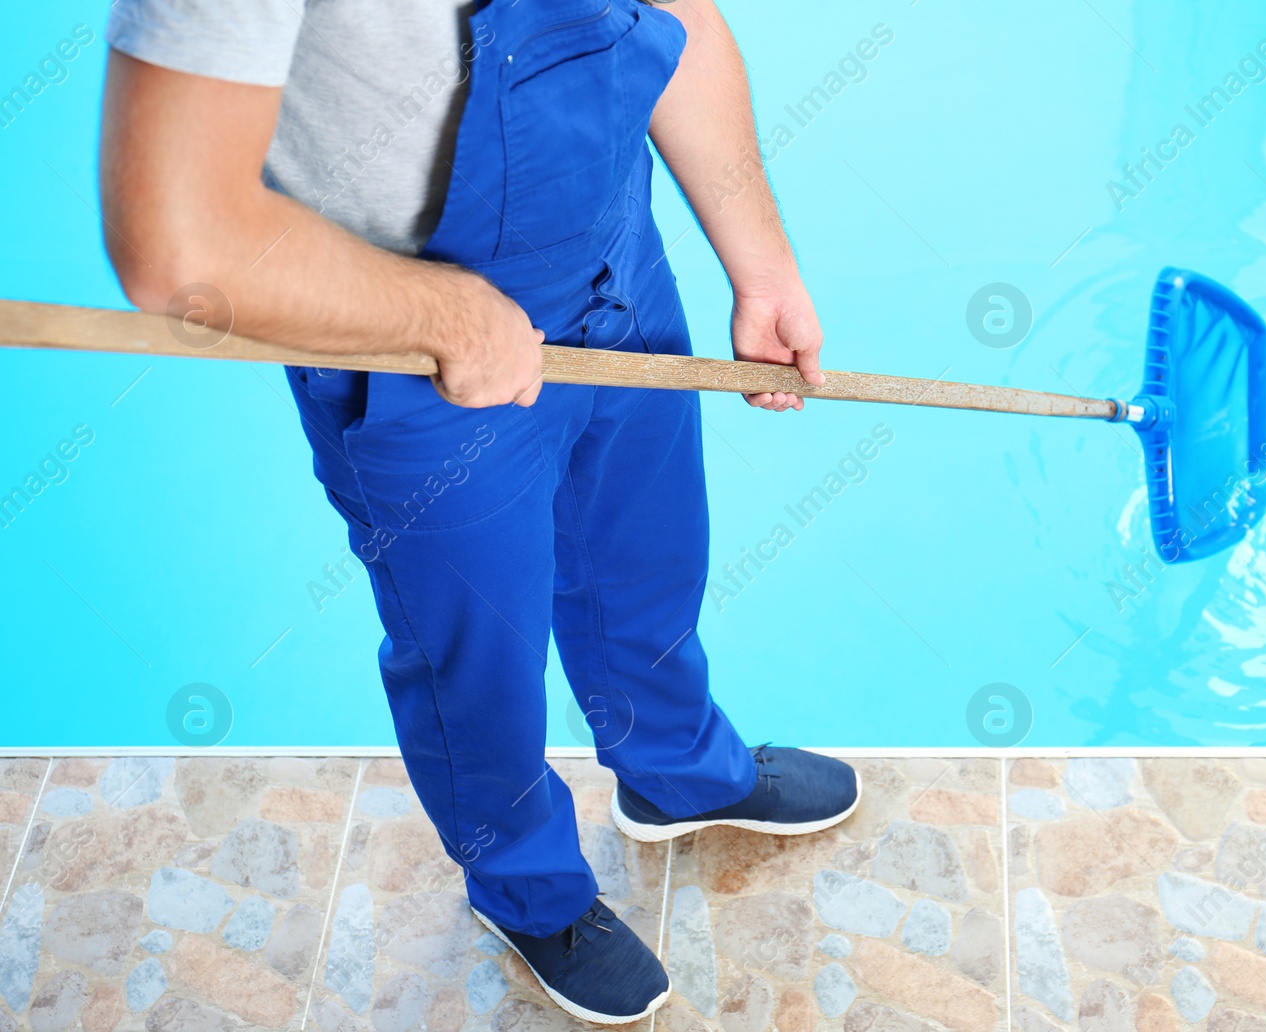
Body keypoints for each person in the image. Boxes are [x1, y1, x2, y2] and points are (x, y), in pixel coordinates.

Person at [99, 0, 861, 1022]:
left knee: (646, 554)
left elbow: (678, 16)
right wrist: (440, 313)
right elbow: (176, 241)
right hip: (410, 348)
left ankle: (676, 770)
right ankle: (530, 890)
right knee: (480, 669)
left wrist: (759, 263)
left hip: (612, 255)